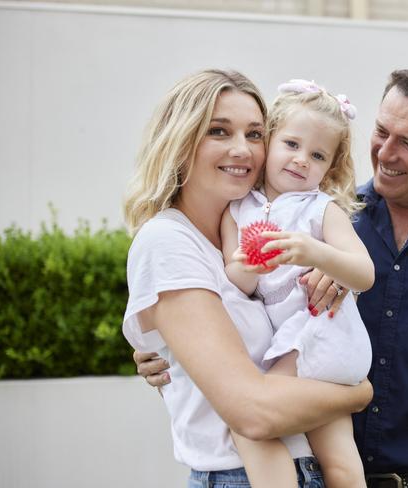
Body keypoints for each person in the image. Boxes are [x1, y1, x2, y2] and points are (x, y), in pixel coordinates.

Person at [136, 65, 408, 488]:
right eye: (381, 132)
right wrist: (170, 351)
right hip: (316, 469)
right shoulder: (316, 215)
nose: (386, 153)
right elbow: (224, 316)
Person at [122, 68, 372, 488]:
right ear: (181, 141)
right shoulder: (168, 241)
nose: (243, 149)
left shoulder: (260, 222)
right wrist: (359, 394)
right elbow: (251, 412)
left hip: (306, 466)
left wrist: (329, 267)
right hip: (242, 475)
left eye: (254, 134)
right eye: (219, 131)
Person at [222, 79, 373, 488]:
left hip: (320, 335)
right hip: (299, 347)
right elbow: (237, 283)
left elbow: (364, 273)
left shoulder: (321, 209)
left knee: (250, 418)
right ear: (267, 143)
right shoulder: (238, 210)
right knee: (341, 462)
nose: (302, 159)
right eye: (291, 144)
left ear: (330, 168)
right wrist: (250, 264)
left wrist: (313, 252)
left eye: (318, 155)